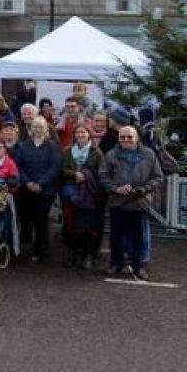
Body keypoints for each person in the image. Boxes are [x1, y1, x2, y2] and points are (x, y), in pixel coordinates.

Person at [97, 126, 164, 280]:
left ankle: (139, 266)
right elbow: (103, 176)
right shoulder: (111, 155)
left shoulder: (149, 154)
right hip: (118, 202)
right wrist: (116, 189)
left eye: (129, 137)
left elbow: (158, 177)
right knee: (116, 236)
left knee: (138, 238)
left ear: (137, 138)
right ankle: (115, 263)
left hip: (139, 202)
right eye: (122, 137)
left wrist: (143, 189)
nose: (126, 140)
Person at [15, 116, 62, 263]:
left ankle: (42, 250)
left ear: (46, 129)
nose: (38, 129)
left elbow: (55, 168)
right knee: (31, 218)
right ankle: (35, 247)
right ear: (31, 129)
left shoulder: (53, 146)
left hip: (46, 190)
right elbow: (19, 166)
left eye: (41, 126)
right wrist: (28, 182)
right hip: (27, 188)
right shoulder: (23, 146)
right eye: (35, 126)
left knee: (40, 218)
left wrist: (40, 183)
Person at [60, 124, 105, 270]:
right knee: (71, 224)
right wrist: (74, 175)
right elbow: (61, 169)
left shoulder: (96, 152)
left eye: (83, 132)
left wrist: (86, 175)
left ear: (88, 134)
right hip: (71, 189)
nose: (80, 135)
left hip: (89, 192)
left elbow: (102, 172)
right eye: (78, 132)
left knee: (87, 225)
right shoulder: (67, 151)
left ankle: (88, 255)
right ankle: (72, 253)